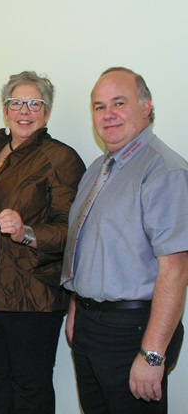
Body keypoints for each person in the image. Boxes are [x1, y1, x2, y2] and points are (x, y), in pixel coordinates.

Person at [61, 67, 188, 414]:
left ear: (146, 107)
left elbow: (175, 270)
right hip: (91, 325)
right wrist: (77, 308)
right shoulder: (98, 169)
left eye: (119, 102)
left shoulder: (164, 171)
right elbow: (90, 248)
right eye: (99, 106)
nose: (108, 114)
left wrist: (152, 353)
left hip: (132, 330)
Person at [0, 71, 86, 413]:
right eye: (16, 102)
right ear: (5, 111)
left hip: (33, 293)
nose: (25, 110)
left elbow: (70, 230)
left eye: (35, 103)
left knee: (30, 383)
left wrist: (26, 232)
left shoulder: (61, 158)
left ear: (47, 113)